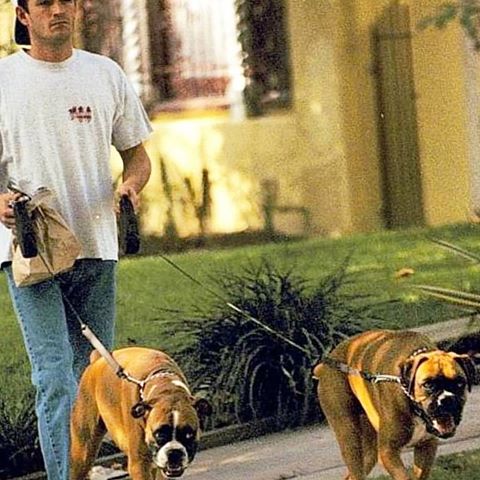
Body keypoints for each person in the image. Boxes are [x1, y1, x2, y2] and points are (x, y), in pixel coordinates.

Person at [0, 1, 152, 478]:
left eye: (66, 0)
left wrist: (130, 186)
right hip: (31, 250)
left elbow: (138, 157)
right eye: (45, 2)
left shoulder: (104, 73)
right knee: (54, 377)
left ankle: (85, 469)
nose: (58, 10)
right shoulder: (4, 80)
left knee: (96, 377)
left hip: (97, 246)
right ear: (23, 16)